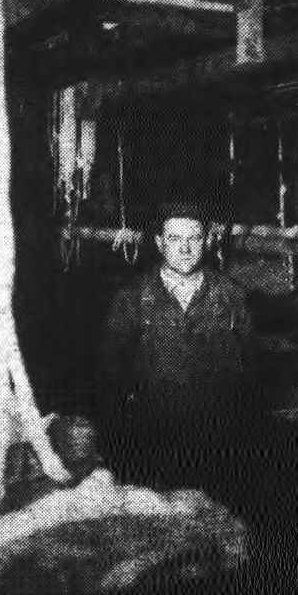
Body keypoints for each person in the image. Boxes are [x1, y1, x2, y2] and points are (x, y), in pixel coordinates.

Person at [96, 201, 255, 488]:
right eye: (174, 239)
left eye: (193, 238)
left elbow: (251, 370)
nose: (184, 248)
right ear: (159, 243)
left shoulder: (231, 296)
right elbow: (110, 377)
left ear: (207, 241)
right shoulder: (132, 299)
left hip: (218, 447)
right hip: (152, 445)